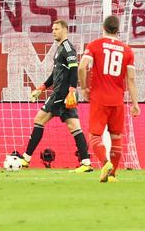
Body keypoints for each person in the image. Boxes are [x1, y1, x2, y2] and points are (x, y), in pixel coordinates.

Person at [16, 19, 92, 173]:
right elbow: (55, 73)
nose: (53, 31)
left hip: (61, 94)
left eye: (56, 29)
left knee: (39, 120)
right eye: (53, 29)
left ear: (64, 30)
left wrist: (71, 90)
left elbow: (74, 70)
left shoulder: (68, 48)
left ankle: (26, 158)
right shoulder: (59, 49)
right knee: (74, 126)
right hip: (62, 93)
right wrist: (42, 87)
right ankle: (86, 163)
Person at [78, 15, 139, 183]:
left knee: (95, 136)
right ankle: (112, 176)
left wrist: (83, 88)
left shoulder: (95, 45)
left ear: (103, 28)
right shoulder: (127, 50)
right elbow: (131, 79)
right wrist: (135, 104)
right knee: (116, 138)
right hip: (117, 100)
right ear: (118, 30)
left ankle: (106, 164)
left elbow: (82, 67)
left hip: (99, 97)